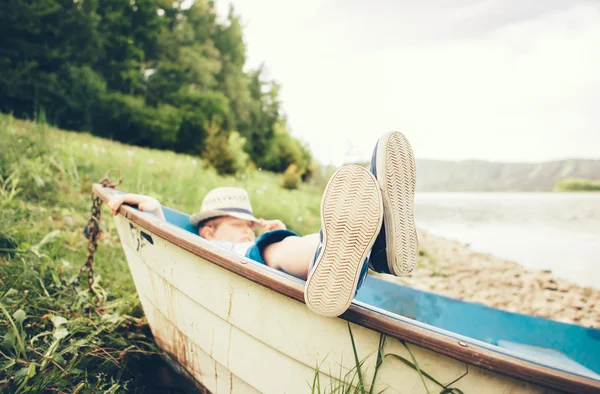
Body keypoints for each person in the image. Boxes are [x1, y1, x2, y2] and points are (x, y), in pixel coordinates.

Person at [107, 131, 418, 317]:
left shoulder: (252, 243)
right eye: (238, 223)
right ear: (208, 231)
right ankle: (371, 247)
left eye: (250, 225)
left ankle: (368, 250)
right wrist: (154, 210)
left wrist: (275, 233)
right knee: (278, 250)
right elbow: (169, 241)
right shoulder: (208, 245)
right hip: (252, 263)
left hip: (275, 272)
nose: (247, 229)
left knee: (290, 246)